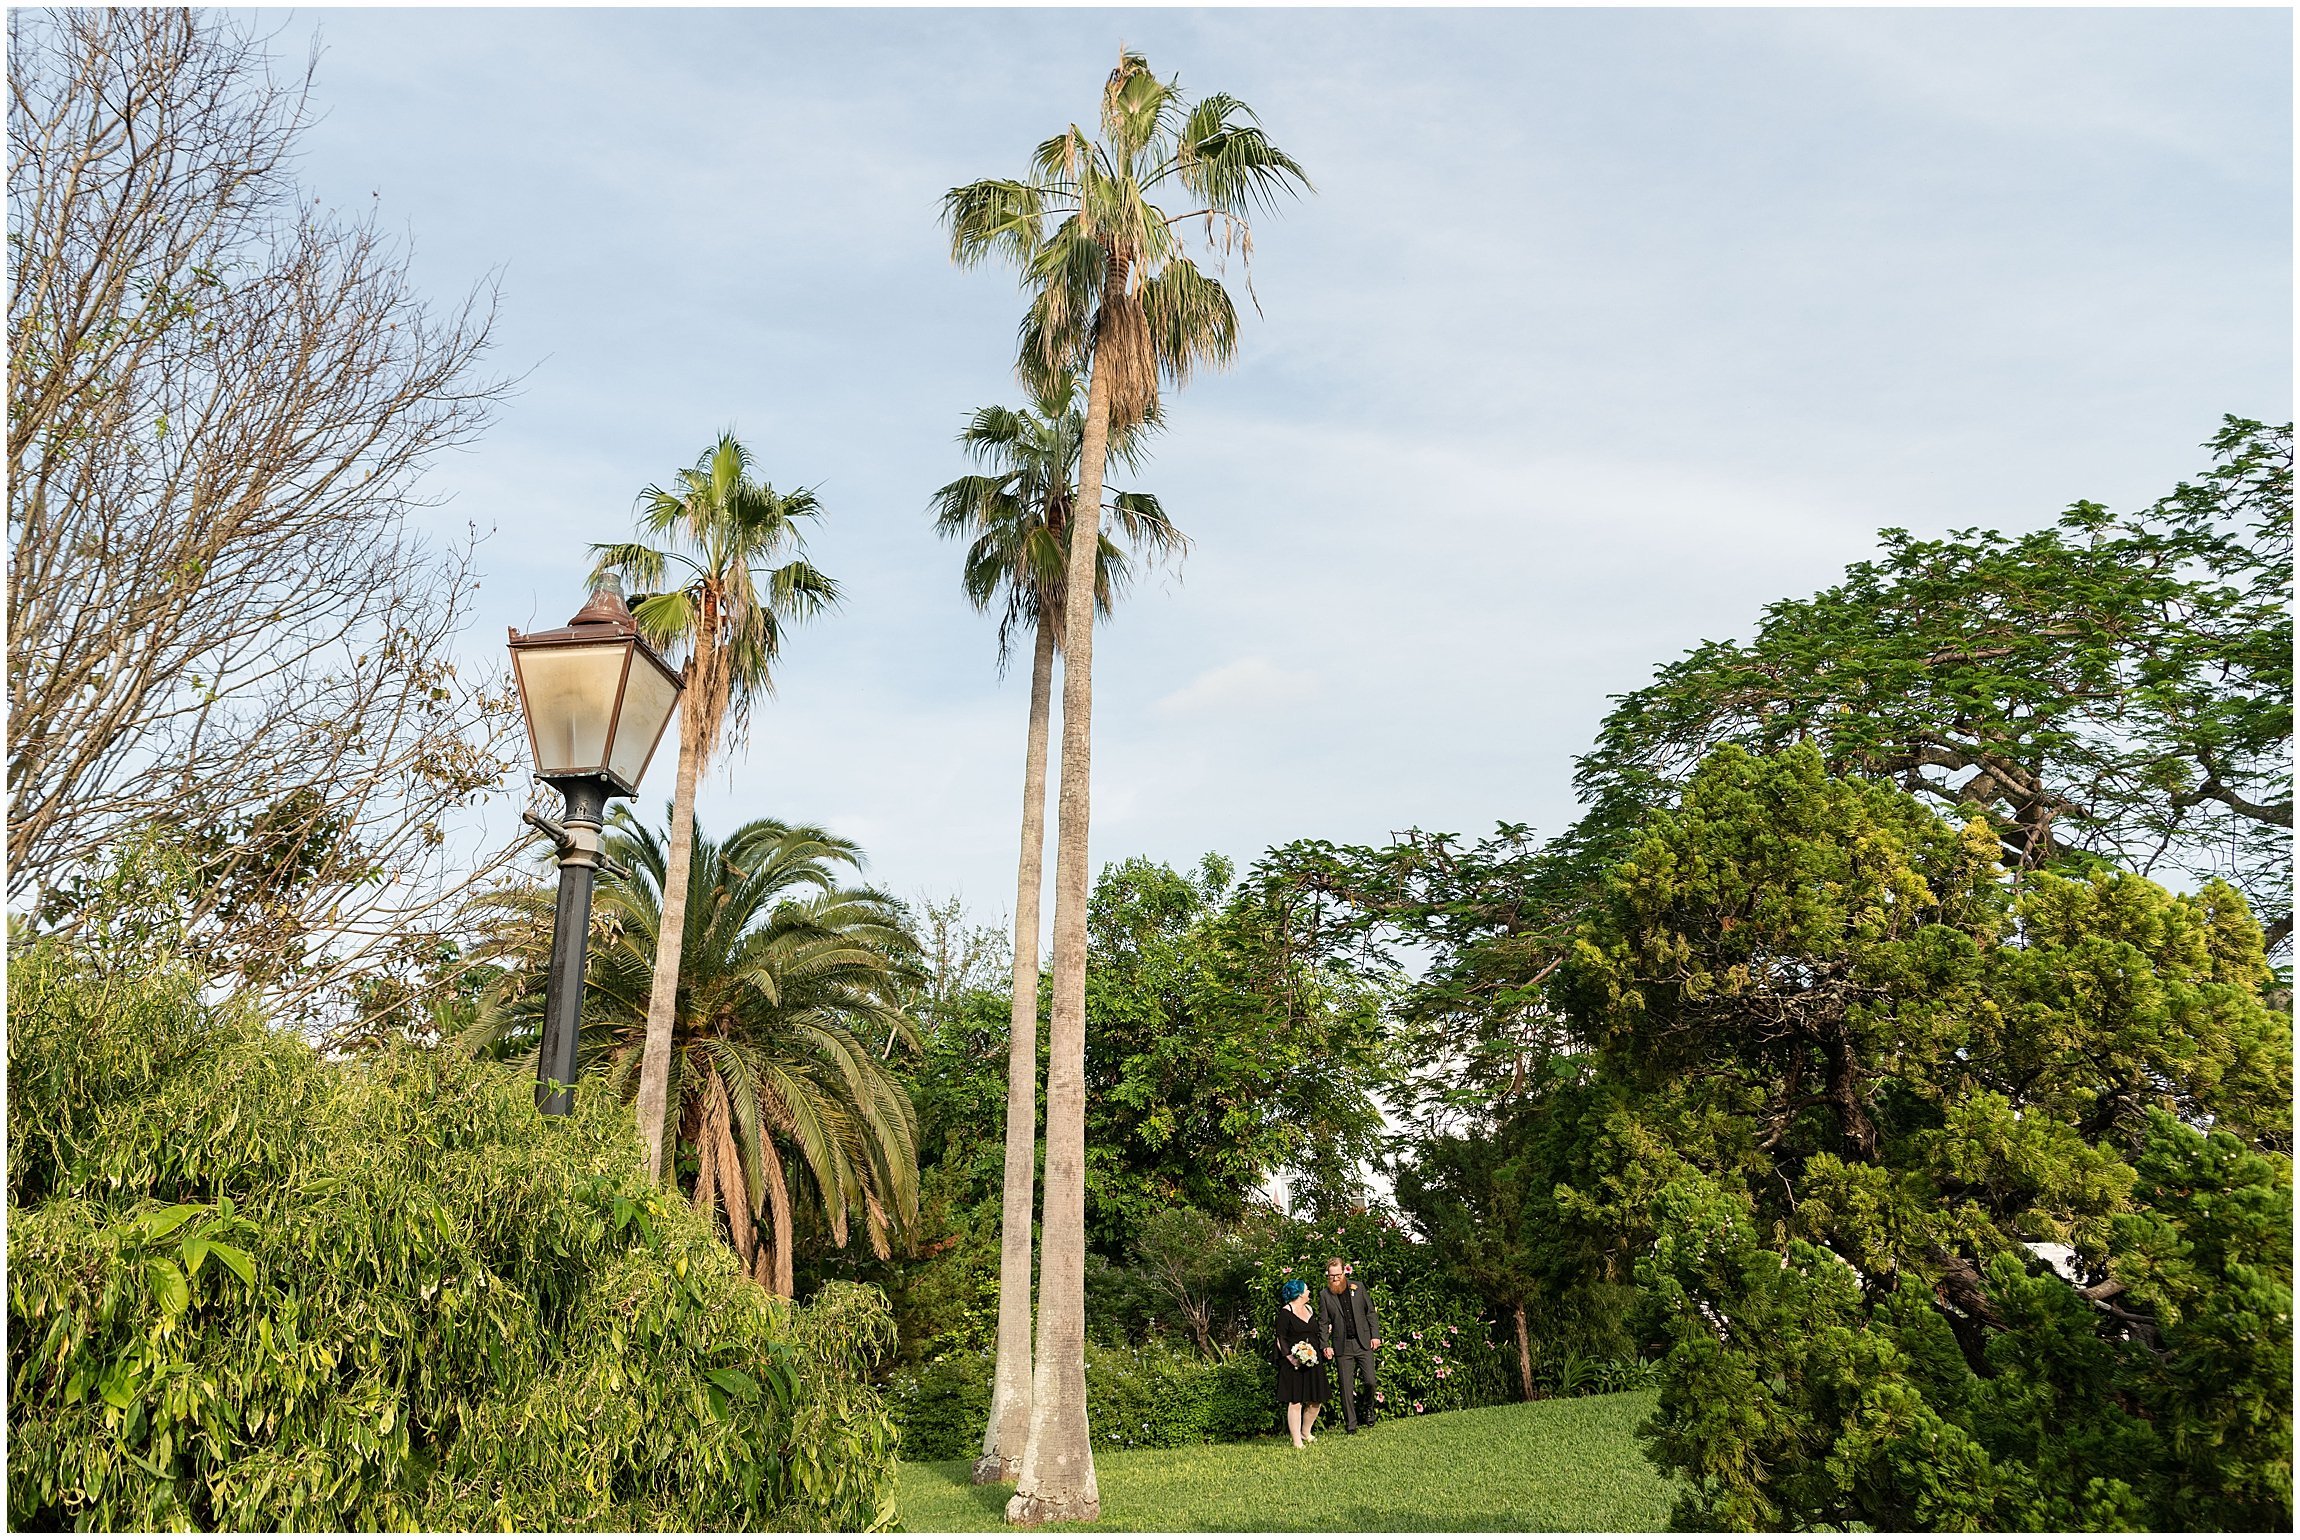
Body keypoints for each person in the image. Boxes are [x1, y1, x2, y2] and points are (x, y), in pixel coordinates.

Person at [1317, 1257, 1381, 1433]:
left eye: (1337, 1275)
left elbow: (1370, 1313)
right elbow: (1323, 1322)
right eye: (1331, 1276)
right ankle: (1351, 1424)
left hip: (1363, 1343)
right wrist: (1325, 1345)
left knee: (1370, 1381)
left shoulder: (1358, 1287)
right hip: (1342, 1346)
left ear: (1344, 1272)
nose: (1335, 1279)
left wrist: (1375, 1335)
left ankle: (1368, 1408)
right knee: (1346, 1387)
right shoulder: (1325, 1295)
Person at [1272, 1279, 1329, 1449]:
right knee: (1295, 1401)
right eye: (1306, 1289)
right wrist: (1292, 1358)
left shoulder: (1310, 1309)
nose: (1309, 1292)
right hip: (1294, 1363)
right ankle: (1297, 1440)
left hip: (1313, 1359)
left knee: (1316, 1400)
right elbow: (1280, 1338)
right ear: (1299, 1293)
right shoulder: (1285, 1313)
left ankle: (1306, 1432)